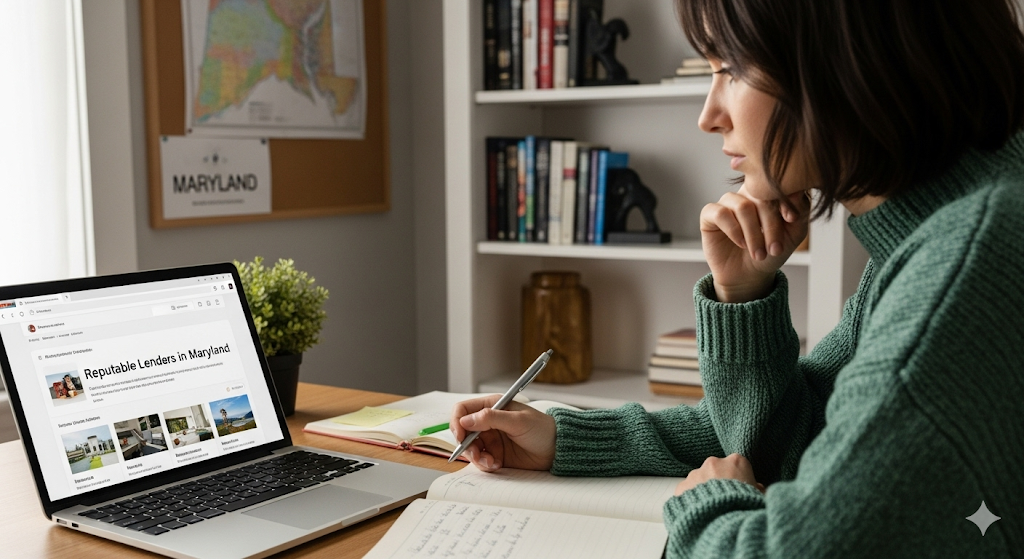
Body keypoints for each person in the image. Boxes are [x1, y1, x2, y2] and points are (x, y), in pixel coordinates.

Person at [451, 0, 1024, 556]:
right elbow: (802, 434)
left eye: (730, 68)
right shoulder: (943, 226)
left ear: (844, 58)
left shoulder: (967, 261)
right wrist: (569, 439)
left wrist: (709, 505)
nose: (708, 115)